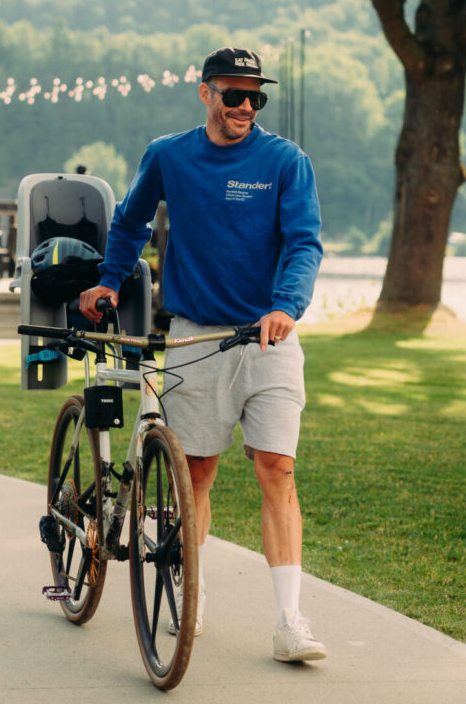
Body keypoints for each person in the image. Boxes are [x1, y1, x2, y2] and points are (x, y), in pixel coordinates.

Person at [79, 46, 325, 663]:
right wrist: (110, 280)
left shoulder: (285, 161)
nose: (245, 106)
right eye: (233, 94)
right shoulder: (170, 155)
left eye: (255, 97)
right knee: (196, 476)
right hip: (195, 336)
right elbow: (130, 222)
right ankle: (191, 583)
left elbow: (303, 243)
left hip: (269, 337)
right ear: (205, 93)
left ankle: (290, 622)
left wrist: (287, 307)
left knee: (277, 469)